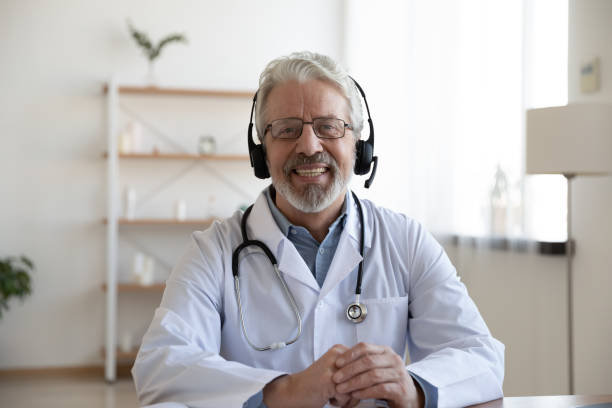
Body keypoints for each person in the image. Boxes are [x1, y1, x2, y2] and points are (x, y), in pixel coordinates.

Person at [132, 51, 505, 408]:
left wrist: (414, 388)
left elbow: (480, 356)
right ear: (261, 152)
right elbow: (161, 366)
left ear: (359, 144)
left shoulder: (405, 240)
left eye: (329, 127)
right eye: (286, 129)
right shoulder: (213, 251)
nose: (309, 146)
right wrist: (285, 391)